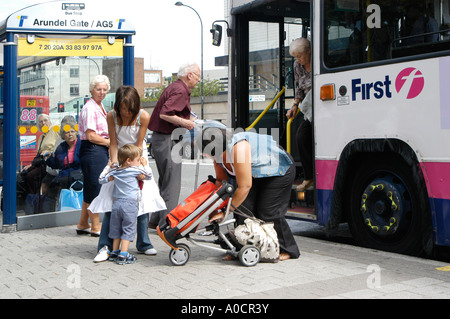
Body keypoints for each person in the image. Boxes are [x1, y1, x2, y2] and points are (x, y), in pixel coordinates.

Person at [196, 126, 301, 261]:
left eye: (204, 152)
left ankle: (288, 249)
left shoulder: (238, 149)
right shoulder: (218, 158)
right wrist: (214, 207)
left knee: (268, 211)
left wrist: (225, 212)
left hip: (279, 170)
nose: (204, 155)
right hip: (256, 173)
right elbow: (220, 181)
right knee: (242, 209)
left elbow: (245, 186)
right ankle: (240, 249)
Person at [91, 85, 166, 263]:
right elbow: (114, 143)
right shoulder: (111, 116)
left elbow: (139, 144)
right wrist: (116, 164)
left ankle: (143, 243)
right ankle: (106, 246)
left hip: (136, 157)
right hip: (119, 158)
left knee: (140, 200)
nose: (125, 112)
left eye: (129, 109)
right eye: (123, 108)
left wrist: (137, 165)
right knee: (112, 200)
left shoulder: (143, 116)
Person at [148, 62, 199, 227]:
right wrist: (187, 124)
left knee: (165, 181)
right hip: (167, 139)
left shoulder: (174, 87)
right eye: (198, 77)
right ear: (189, 75)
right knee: (172, 184)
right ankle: (166, 224)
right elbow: (165, 113)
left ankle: (156, 220)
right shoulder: (180, 90)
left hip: (161, 139)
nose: (198, 81)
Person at [98, 144, 153, 265]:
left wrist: (108, 167)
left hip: (117, 204)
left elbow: (101, 179)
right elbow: (148, 176)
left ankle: (115, 251)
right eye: (138, 160)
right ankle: (124, 253)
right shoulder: (135, 170)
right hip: (130, 204)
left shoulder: (116, 171)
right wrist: (145, 165)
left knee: (116, 228)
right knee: (128, 229)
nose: (139, 162)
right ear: (128, 161)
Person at [76, 75, 111, 236]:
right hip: (93, 148)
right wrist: (110, 143)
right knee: (96, 187)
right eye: (98, 89)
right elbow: (91, 135)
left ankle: (83, 223)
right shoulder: (90, 108)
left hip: (97, 148)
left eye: (104, 89)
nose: (102, 92)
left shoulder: (100, 106)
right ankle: (95, 225)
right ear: (91, 90)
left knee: (91, 186)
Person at [285, 38, 313, 192]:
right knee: (301, 136)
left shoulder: (317, 60)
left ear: (309, 51)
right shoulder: (297, 65)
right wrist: (295, 105)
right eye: (296, 57)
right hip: (308, 107)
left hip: (322, 102)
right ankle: (309, 177)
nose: (298, 60)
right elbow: (299, 87)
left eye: (300, 56)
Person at [44, 121, 82, 211]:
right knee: (52, 185)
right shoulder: (61, 147)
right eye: (67, 132)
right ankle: (51, 213)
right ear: (63, 135)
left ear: (76, 133)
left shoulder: (81, 143)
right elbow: (55, 164)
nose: (70, 134)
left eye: (72, 131)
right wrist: (47, 158)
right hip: (65, 174)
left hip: (79, 173)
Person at [21, 113, 59, 195]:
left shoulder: (55, 130)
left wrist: (51, 153)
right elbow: (39, 154)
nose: (43, 123)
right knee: (24, 174)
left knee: (31, 176)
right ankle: (31, 198)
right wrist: (31, 165)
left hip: (51, 162)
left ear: (49, 121)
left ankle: (35, 197)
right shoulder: (42, 136)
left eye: (45, 120)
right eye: (41, 122)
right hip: (42, 162)